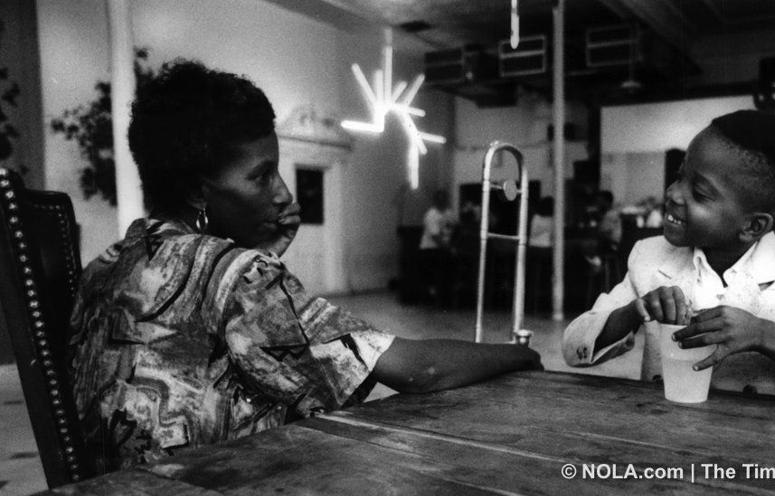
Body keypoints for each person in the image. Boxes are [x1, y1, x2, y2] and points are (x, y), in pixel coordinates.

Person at [68, 60, 541, 472]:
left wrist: (260, 258)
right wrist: (519, 355)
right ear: (197, 190)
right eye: (260, 175)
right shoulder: (235, 273)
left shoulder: (105, 266)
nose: (281, 193)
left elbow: (203, 342)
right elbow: (420, 370)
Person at [562, 110, 775, 410]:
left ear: (753, 225)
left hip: (762, 454)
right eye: (680, 176)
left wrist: (763, 334)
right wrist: (633, 312)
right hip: (664, 436)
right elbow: (573, 346)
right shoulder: (650, 257)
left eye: (700, 193)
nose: (674, 194)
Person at [418, 189, 456, 305]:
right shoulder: (431, 215)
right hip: (430, 249)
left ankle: (448, 296)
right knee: (440, 270)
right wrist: (450, 248)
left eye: (444, 198)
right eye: (439, 198)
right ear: (435, 201)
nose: (442, 201)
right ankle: (438, 298)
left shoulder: (449, 213)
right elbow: (435, 237)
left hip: (444, 248)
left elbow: (454, 228)